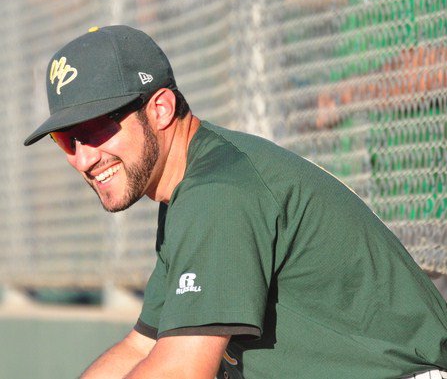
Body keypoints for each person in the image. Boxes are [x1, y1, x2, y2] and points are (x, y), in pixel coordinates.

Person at [24, 25, 447, 379]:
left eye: (96, 129)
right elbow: (141, 348)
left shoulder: (219, 190)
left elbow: (180, 370)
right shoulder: (191, 188)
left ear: (160, 109)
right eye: (66, 139)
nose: (82, 158)